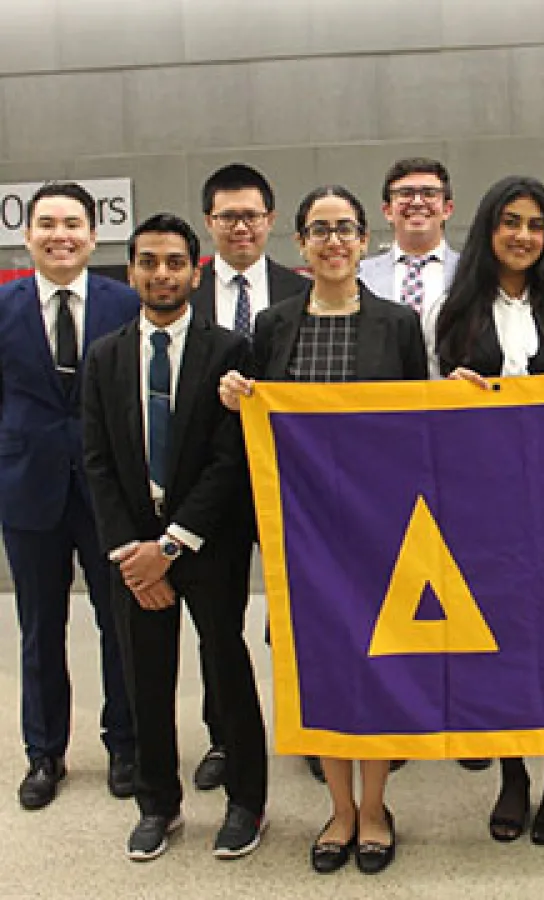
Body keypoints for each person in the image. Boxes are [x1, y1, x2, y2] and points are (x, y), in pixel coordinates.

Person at [220, 185, 427, 875]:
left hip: (379, 526)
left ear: (366, 239)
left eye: (344, 228)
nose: (333, 240)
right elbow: (256, 418)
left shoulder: (398, 324)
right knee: (320, 670)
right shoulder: (275, 326)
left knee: (373, 663)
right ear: (301, 245)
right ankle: (337, 809)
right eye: (319, 230)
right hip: (300, 533)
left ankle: (374, 808)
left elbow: (421, 424)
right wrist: (236, 395)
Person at [82, 214, 268, 862]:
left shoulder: (228, 351)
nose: (161, 274)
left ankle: (247, 800)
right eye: (148, 262)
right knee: (146, 679)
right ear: (130, 271)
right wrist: (130, 553)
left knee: (227, 669)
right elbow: (98, 460)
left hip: (206, 545)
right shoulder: (104, 355)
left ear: (196, 270)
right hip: (132, 553)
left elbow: (229, 461)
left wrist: (172, 545)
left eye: (173, 263)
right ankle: (157, 804)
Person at [428, 175, 544, 845]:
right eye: (510, 222)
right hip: (484, 501)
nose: (523, 235)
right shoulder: (452, 309)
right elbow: (422, 404)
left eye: (535, 224)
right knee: (499, 636)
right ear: (488, 231)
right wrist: (448, 390)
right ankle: (513, 772)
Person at [0, 181, 137, 810]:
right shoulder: (4, 306)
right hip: (28, 488)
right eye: (48, 223)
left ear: (92, 233)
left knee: (120, 625)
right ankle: (44, 754)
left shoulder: (123, 302)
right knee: (39, 628)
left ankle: (126, 747)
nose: (62, 235)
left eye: (74, 223)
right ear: (27, 234)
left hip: (106, 490)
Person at [191, 162, 315, 789]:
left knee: (300, 612)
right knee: (219, 619)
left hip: (288, 481)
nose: (240, 226)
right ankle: (225, 736)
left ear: (270, 220)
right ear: (208, 223)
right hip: (209, 483)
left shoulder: (303, 290)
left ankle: (316, 727)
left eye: (251, 215)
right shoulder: (185, 293)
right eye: (226, 216)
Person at [358, 157, 461, 320]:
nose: (418, 202)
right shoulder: (360, 276)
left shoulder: (470, 272)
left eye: (429, 193)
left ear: (447, 209)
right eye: (405, 193)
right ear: (387, 211)